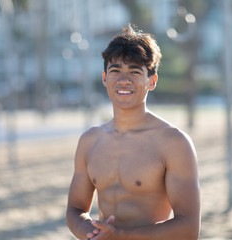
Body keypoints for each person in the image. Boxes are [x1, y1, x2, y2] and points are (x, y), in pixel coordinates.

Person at [66, 24, 200, 240]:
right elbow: (75, 209)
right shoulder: (90, 141)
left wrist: (120, 236)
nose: (124, 80)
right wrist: (91, 234)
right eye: (115, 70)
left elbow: (189, 227)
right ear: (104, 78)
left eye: (135, 71)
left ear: (152, 81)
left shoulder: (173, 142)